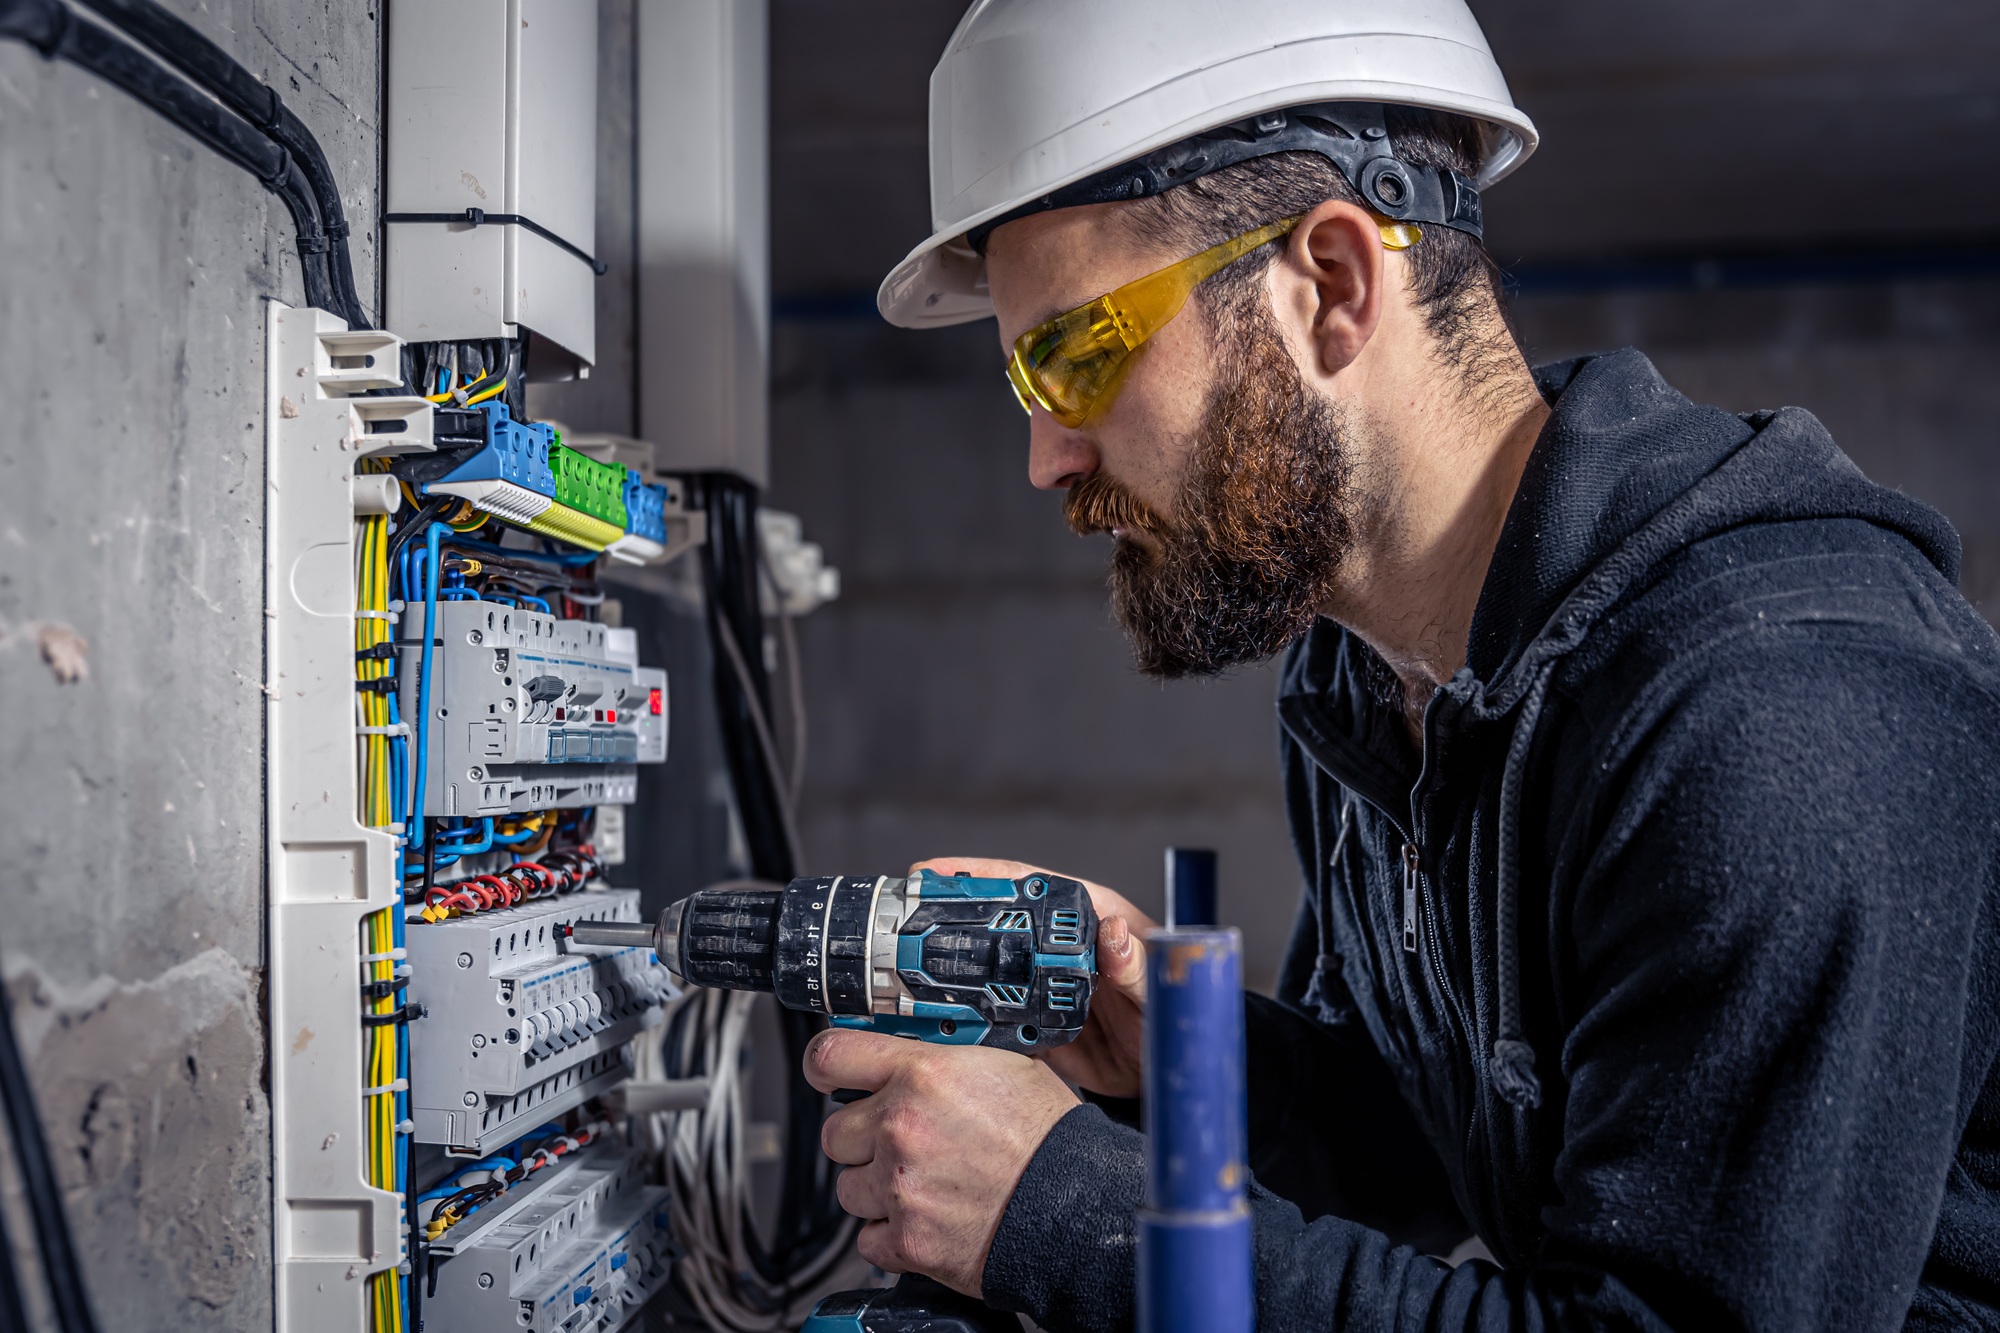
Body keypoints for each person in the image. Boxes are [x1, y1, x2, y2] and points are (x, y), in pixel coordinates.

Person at [804, 2, 2000, 1328]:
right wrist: (1198, 1067)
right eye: (1030, 393)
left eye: (1077, 355)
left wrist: (1069, 1214)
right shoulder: (1362, 682)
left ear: (1329, 284)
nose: (1049, 457)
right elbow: (1459, 1135)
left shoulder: (1773, 706)